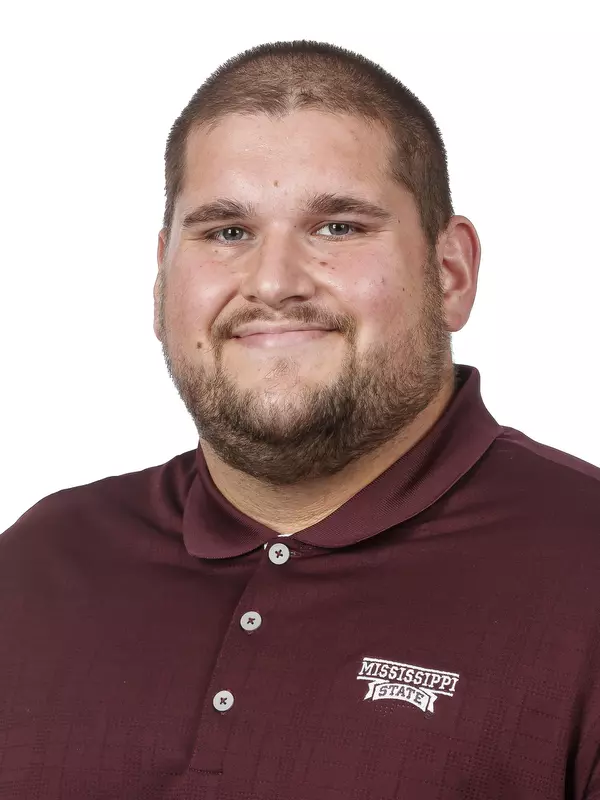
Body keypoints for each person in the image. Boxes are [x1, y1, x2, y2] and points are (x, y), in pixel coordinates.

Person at [1, 39, 599, 800]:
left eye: (338, 227)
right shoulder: (38, 565)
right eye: (226, 232)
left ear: (450, 272)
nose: (274, 283)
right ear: (161, 282)